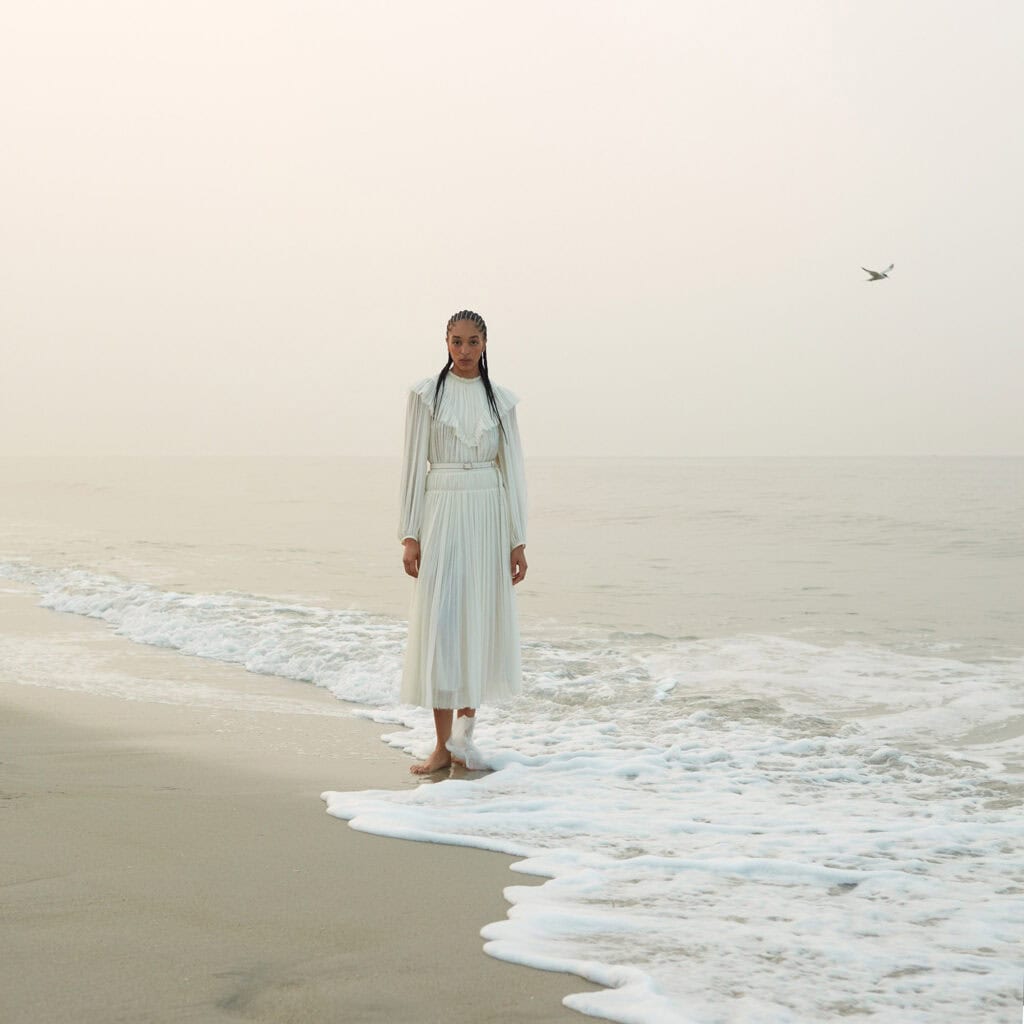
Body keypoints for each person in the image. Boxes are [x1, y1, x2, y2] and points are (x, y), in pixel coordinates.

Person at [398, 309, 528, 774]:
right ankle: (438, 746)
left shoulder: (502, 403)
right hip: (442, 510)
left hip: (488, 513)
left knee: (479, 623)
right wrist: (410, 534)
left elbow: (513, 472)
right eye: (457, 341)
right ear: (446, 343)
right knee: (443, 627)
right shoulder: (427, 396)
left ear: (486, 344)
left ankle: (462, 742)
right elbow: (414, 465)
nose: (465, 350)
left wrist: (518, 539)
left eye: (474, 342)